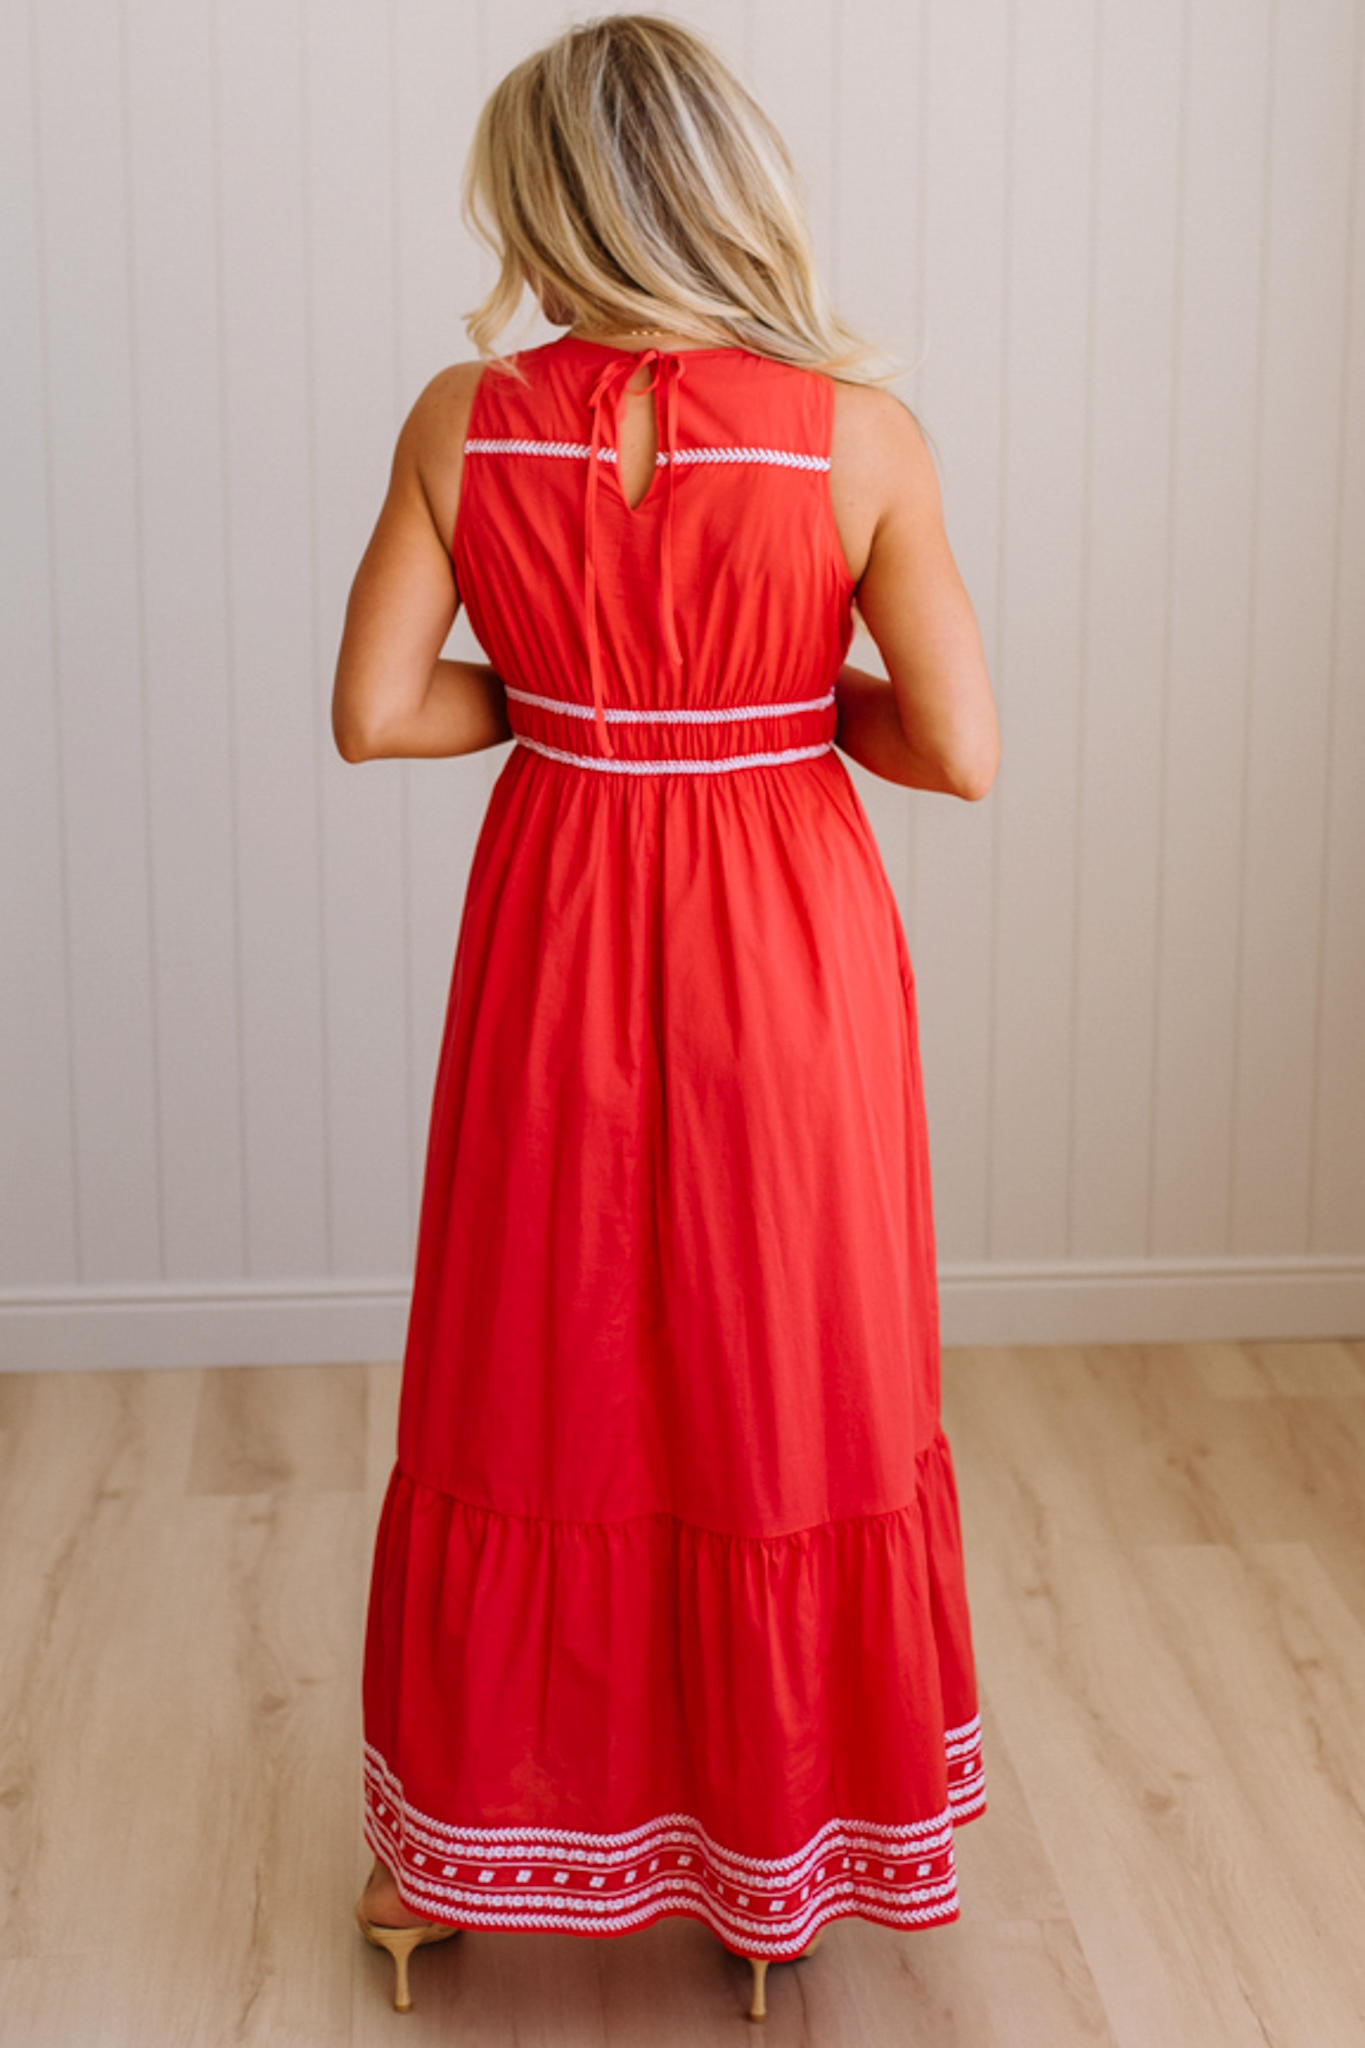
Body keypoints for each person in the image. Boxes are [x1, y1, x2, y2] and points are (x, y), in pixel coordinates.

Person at [333, 12, 999, 2022]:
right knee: (781, 1366)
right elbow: (959, 750)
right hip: (783, 942)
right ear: (732, 186)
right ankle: (773, 1862)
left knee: (535, 1361)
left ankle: (457, 1850)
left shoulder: (464, 421)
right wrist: (772, 708)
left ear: (543, 202)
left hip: (558, 918)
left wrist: (575, 704)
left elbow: (377, 712)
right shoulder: (856, 435)